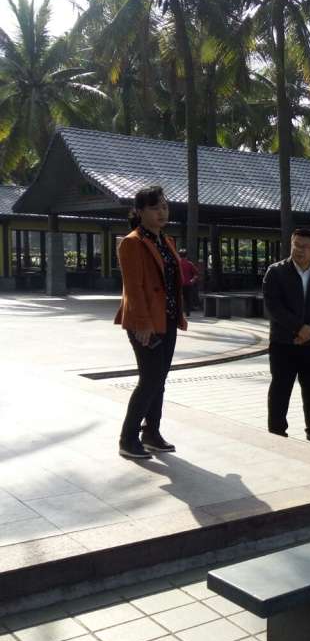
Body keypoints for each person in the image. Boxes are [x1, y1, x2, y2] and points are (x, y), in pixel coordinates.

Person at [115, 185, 187, 460]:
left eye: (164, 207)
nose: (162, 212)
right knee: (150, 379)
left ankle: (152, 433)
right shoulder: (132, 242)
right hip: (144, 321)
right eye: (155, 208)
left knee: (160, 379)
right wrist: (142, 323)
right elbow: (133, 288)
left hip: (166, 318)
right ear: (140, 211)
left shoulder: (165, 241)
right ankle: (128, 438)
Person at [262, 228, 310, 445]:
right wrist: (298, 328)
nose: (300, 250)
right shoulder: (276, 272)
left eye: (305, 246)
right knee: (281, 387)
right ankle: (277, 429)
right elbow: (273, 307)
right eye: (297, 245)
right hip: (283, 342)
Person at [178, 248, 199, 316]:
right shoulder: (189, 264)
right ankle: (187, 311)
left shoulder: (177, 263)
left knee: (179, 297)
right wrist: (192, 280)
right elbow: (196, 273)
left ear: (179, 255)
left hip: (179, 283)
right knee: (187, 298)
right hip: (188, 283)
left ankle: (180, 312)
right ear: (186, 255)